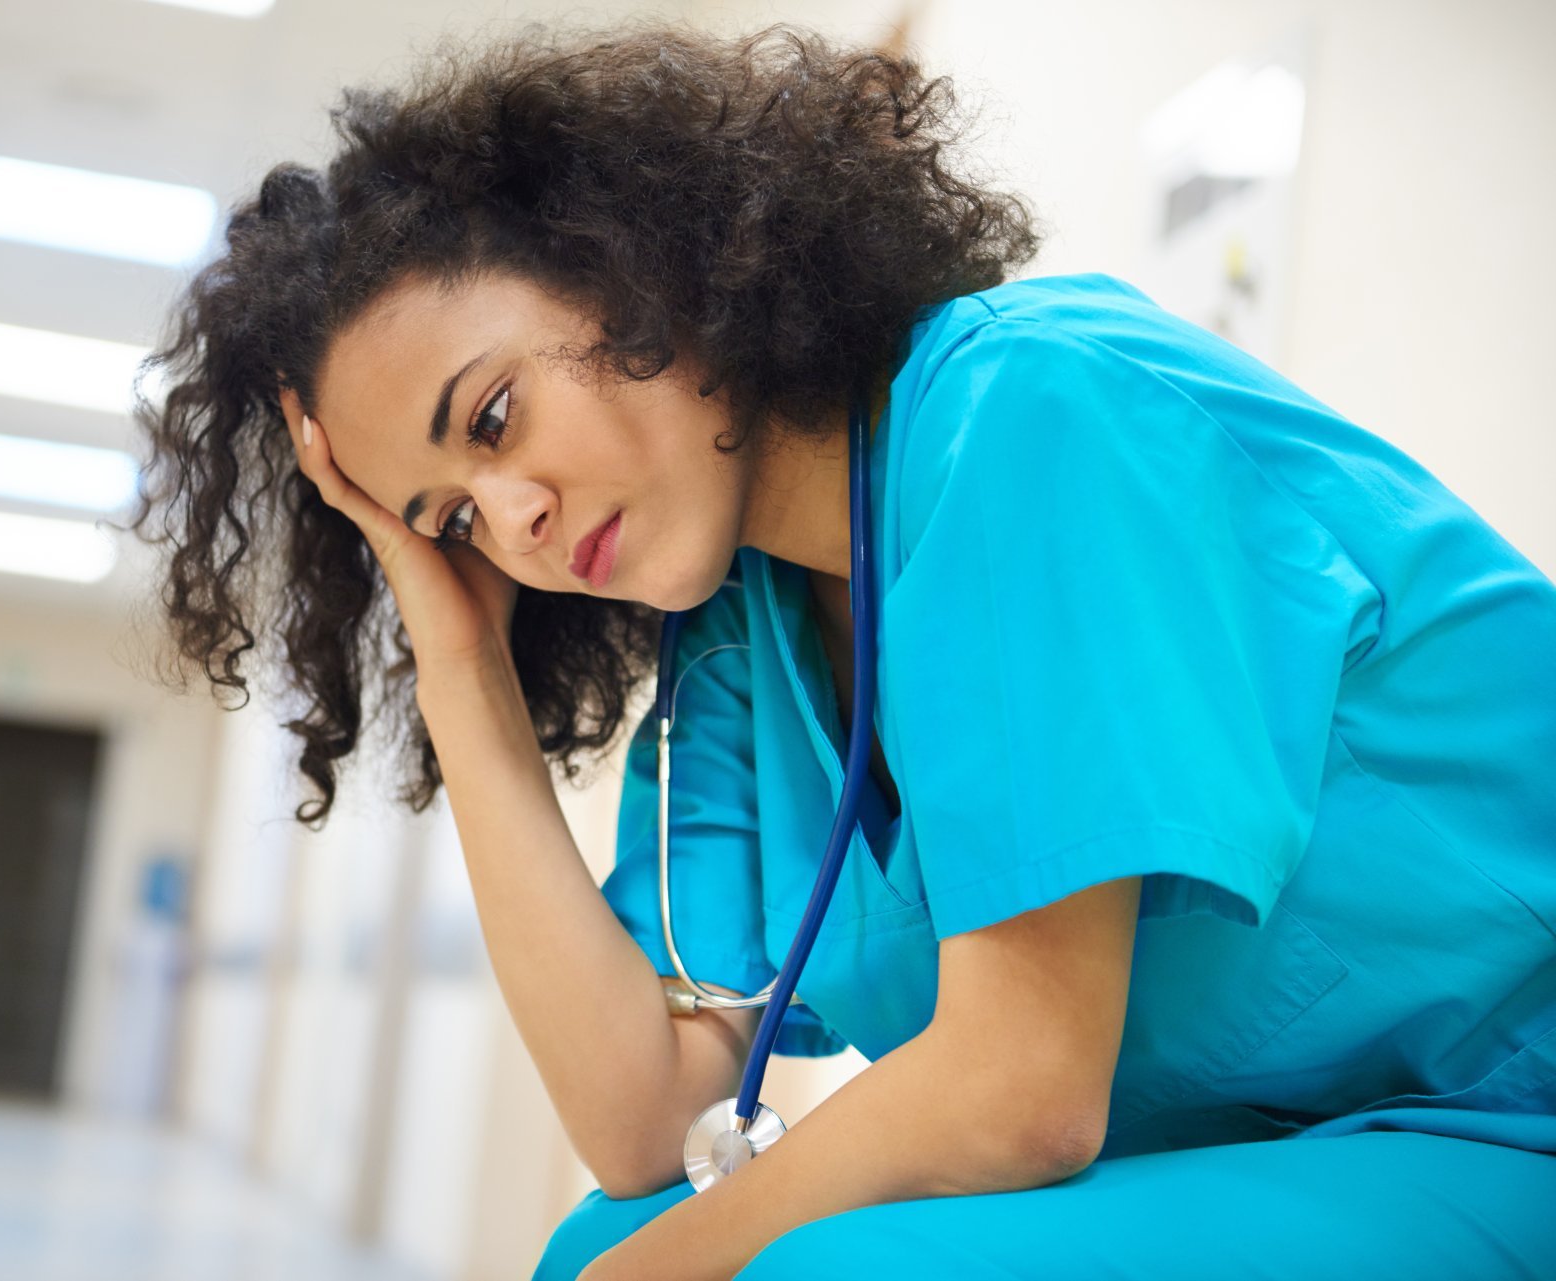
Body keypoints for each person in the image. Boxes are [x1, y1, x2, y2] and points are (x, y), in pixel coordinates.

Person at [134, 22, 1556, 1280]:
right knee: (597, 1244)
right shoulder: (745, 629)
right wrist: (460, 667)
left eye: (493, 420)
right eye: (451, 516)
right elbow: (642, 1118)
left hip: (1510, 1109)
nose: (508, 521)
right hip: (1304, 1147)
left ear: (627, 264)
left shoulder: (1029, 409)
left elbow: (1022, 1088)